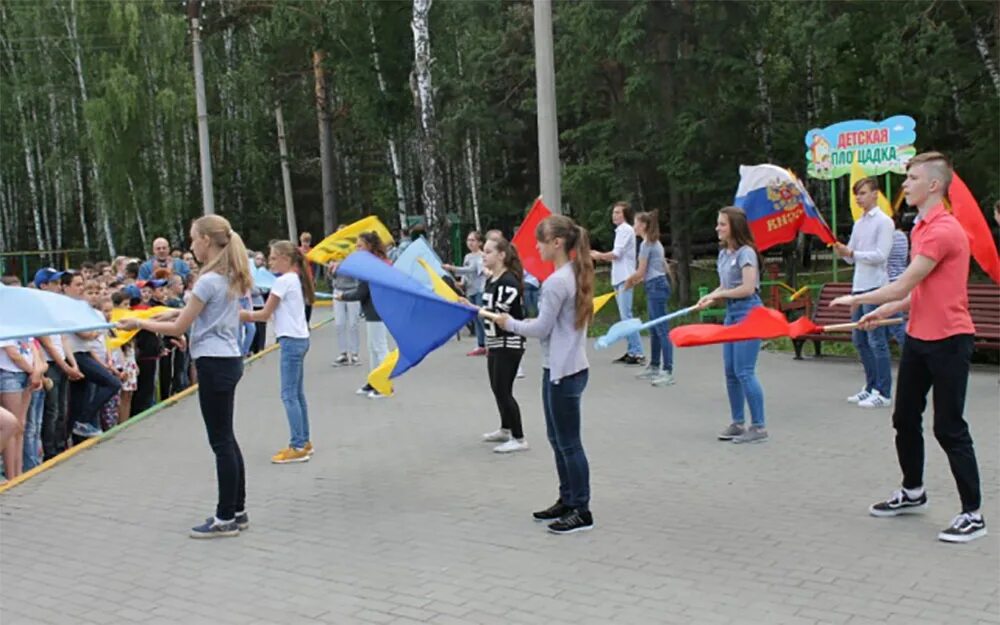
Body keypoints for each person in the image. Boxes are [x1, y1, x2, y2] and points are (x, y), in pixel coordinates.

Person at [831, 152, 986, 544]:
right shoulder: (920, 227)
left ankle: (973, 514)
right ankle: (913, 490)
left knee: (949, 428)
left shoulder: (943, 230)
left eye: (912, 178)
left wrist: (857, 300)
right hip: (919, 337)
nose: (905, 184)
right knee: (904, 418)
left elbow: (904, 283)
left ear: (934, 185)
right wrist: (881, 309)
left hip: (950, 341)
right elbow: (916, 292)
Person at [118, 214, 253, 539]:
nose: (191, 245)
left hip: (213, 363)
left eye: (193, 239)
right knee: (227, 438)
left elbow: (181, 327)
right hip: (228, 360)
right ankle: (237, 509)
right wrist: (167, 312)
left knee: (220, 441)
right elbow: (195, 312)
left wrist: (141, 323)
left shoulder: (209, 280)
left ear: (206, 241)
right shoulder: (228, 276)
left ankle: (225, 518)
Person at [495, 215, 595, 535]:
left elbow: (540, 328)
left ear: (557, 243)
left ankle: (581, 509)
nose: (535, 247)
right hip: (562, 369)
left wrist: (508, 323)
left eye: (540, 241)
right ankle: (567, 500)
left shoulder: (557, 282)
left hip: (564, 373)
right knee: (558, 439)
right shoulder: (572, 273)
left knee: (568, 443)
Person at [696, 207, 768, 444]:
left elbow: (748, 288)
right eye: (718, 224)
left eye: (722, 224)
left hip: (749, 312)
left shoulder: (747, 253)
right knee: (730, 372)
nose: (717, 228)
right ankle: (738, 423)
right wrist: (709, 298)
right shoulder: (724, 254)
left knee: (745, 371)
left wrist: (721, 294)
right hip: (731, 313)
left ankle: (758, 426)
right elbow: (723, 285)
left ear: (734, 227)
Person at [242, 241, 315, 464]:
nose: (270, 262)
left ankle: (297, 445)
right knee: (297, 394)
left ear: (285, 258)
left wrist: (241, 314)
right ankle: (304, 440)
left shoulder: (283, 281)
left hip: (291, 341)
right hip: (300, 338)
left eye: (273, 258)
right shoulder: (296, 279)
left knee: (288, 394)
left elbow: (264, 314)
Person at [833, 177, 894, 409]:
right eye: (857, 194)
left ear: (875, 194)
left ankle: (883, 391)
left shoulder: (884, 222)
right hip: (859, 287)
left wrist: (854, 253)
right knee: (859, 339)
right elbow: (852, 257)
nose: (859, 198)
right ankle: (870, 386)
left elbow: (880, 255)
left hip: (876, 287)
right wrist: (843, 252)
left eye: (863, 193)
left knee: (876, 340)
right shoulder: (859, 223)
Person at [479, 237, 529, 453]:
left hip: (510, 342)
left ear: (501, 255)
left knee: (504, 390)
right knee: (496, 388)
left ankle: (519, 437)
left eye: (488, 252)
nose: (484, 255)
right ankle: (505, 428)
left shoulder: (508, 282)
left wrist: (474, 310)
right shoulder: (492, 280)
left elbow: (501, 316)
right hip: (495, 341)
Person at [335, 232, 392, 399]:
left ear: (370, 247)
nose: (357, 249)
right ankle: (373, 381)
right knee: (372, 348)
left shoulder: (373, 265)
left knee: (380, 348)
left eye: (360, 246)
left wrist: (343, 296)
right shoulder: (371, 264)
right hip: (372, 310)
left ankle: (385, 385)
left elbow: (362, 291)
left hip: (378, 309)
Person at [590, 201, 644, 365]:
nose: (615, 215)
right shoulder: (621, 231)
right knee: (624, 316)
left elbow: (617, 254)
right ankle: (632, 350)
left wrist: (599, 255)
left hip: (625, 277)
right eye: (614, 212)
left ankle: (637, 351)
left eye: (618, 213)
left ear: (625, 215)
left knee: (626, 316)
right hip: (620, 276)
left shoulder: (625, 230)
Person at [625, 210, 675, 386]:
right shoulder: (654, 243)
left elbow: (641, 271)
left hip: (656, 287)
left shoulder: (647, 245)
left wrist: (629, 282)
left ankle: (667, 370)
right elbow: (658, 268)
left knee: (661, 329)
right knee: (654, 329)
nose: (634, 227)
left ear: (644, 226)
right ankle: (654, 365)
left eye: (636, 223)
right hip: (655, 285)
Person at [444, 231, 487, 356]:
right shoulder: (467, 257)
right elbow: (466, 274)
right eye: (469, 240)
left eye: (473, 240)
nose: (470, 243)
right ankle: (481, 344)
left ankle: (490, 343)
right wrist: (461, 283)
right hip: (471, 290)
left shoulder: (482, 256)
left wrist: (453, 268)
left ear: (480, 242)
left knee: (482, 317)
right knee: (475, 318)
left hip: (480, 290)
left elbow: (472, 269)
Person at [886, 207, 910, 348]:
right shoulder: (902, 236)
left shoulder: (891, 237)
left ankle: (909, 350)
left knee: (895, 323)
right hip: (901, 279)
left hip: (890, 282)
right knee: (889, 322)